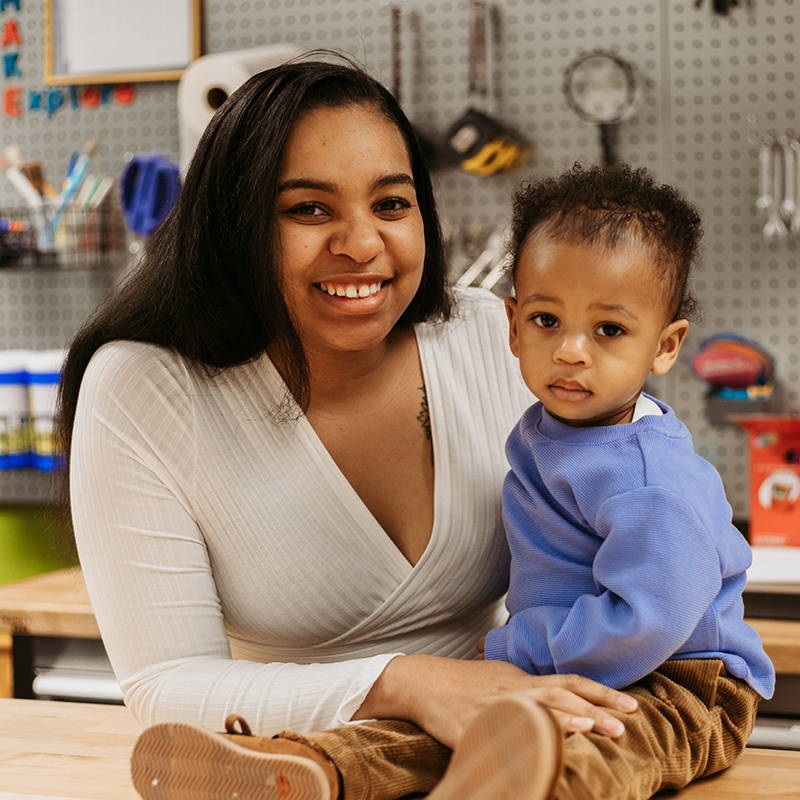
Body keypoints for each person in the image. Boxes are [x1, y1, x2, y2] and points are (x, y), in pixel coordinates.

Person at [56, 56, 637, 800]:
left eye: (392, 204)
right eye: (309, 209)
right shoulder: (144, 387)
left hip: (515, 743)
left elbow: (639, 464)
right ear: (235, 225)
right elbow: (164, 686)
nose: (362, 244)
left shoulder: (492, 333)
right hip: (301, 762)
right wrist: (411, 684)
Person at [476, 163, 775, 798]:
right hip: (582, 661)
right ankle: (328, 767)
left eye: (608, 330)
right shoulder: (548, 430)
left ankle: (536, 787)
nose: (570, 350)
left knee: (597, 748)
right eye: (545, 320)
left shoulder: (645, 473)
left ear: (665, 347)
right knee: (448, 725)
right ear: (511, 324)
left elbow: (651, 617)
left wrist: (519, 652)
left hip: (686, 683)